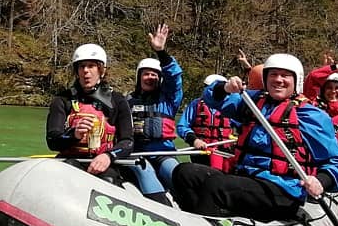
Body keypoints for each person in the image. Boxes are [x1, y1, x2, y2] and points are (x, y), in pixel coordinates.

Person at [172, 54, 338, 221]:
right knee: (185, 172)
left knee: (216, 185)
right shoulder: (252, 102)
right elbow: (212, 99)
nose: (278, 80)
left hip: (283, 188)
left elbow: (335, 161)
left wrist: (321, 181)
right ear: (265, 78)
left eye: (285, 75)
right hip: (246, 176)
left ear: (296, 80)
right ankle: (195, 221)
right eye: (273, 74)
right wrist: (225, 88)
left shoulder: (311, 116)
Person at [46, 43, 134, 185]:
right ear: (77, 70)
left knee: (109, 179)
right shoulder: (62, 100)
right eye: (82, 66)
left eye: (91, 66)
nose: (86, 71)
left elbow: (128, 142)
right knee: (67, 172)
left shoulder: (117, 100)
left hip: (103, 161)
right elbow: (52, 141)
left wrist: (108, 156)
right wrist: (74, 135)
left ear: (101, 70)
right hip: (71, 160)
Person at [128, 23, 184, 192]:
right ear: (139, 77)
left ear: (160, 79)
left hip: (163, 153)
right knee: (145, 174)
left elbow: (174, 77)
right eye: (146, 74)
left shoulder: (168, 100)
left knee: (177, 175)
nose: (150, 77)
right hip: (136, 154)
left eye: (154, 74)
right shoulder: (127, 102)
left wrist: (161, 52)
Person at [177, 74, 239, 171]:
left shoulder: (231, 106)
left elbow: (242, 126)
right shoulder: (195, 104)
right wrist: (194, 140)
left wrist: (237, 139)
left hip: (223, 152)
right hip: (201, 152)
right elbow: (182, 126)